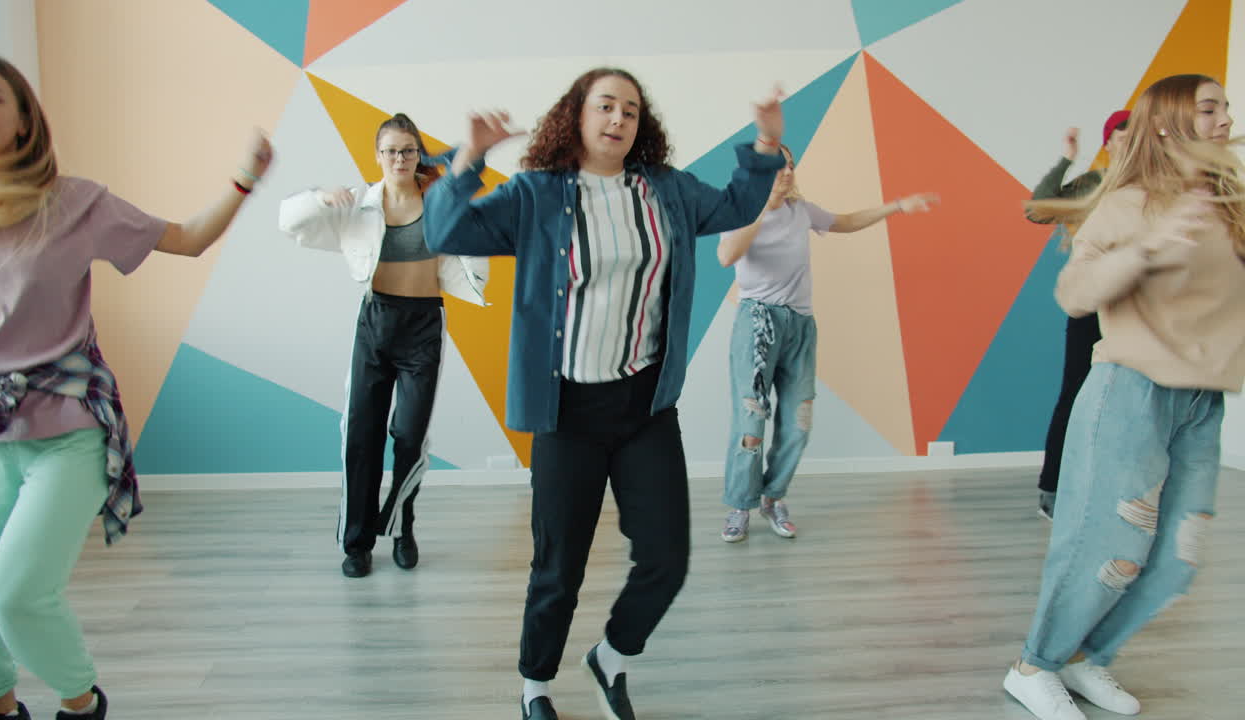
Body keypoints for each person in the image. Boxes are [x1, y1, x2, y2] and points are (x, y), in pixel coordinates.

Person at [423, 67, 785, 720]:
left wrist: (764, 145)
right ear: (577, 116)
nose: (619, 119)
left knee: (667, 561)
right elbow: (446, 233)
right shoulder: (535, 194)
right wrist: (470, 158)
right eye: (605, 106)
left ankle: (612, 658)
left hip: (645, 407)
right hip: (567, 413)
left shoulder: (667, 191)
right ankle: (535, 685)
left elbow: (735, 206)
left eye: (631, 110)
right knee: (559, 568)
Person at [0, 51, 272, 720]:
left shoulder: (74, 203)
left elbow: (187, 239)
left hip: (68, 428)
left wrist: (246, 179)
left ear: (21, 120)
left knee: (17, 591)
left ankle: (81, 705)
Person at [1004, 74, 1243, 720]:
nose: (1226, 118)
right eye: (1210, 108)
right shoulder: (1126, 203)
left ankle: (1083, 657)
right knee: (1110, 550)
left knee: (1177, 562)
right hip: (1131, 392)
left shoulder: (1227, 203)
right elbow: (1074, 293)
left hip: (1202, 402)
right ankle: (1034, 664)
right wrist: (1150, 248)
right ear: (1167, 124)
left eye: (1226, 108)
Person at [278, 113, 487, 578]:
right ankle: (357, 544)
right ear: (378, 156)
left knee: (410, 439)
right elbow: (287, 220)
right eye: (390, 151)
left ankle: (401, 525)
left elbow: (471, 193)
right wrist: (319, 198)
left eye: (407, 151)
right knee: (361, 437)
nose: (399, 158)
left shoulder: (438, 202)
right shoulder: (359, 206)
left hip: (423, 326)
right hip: (375, 324)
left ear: (418, 156)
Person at [717, 143, 938, 542]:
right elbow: (726, 255)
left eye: (789, 166)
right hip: (758, 321)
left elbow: (848, 222)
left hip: (800, 325)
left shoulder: (801, 212)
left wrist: (899, 206)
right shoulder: (740, 209)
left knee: (798, 424)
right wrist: (759, 205)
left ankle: (773, 498)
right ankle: (740, 504)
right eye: (776, 167)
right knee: (751, 421)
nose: (786, 173)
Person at [1027, 110, 1130, 520]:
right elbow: (1037, 210)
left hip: (1136, 308)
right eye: (1125, 134)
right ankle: (1052, 489)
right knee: (1076, 394)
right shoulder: (1093, 183)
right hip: (1092, 304)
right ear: (1110, 142)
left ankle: (1113, 490)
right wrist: (1067, 159)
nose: (1135, 140)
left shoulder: (1157, 185)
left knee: (1130, 401)